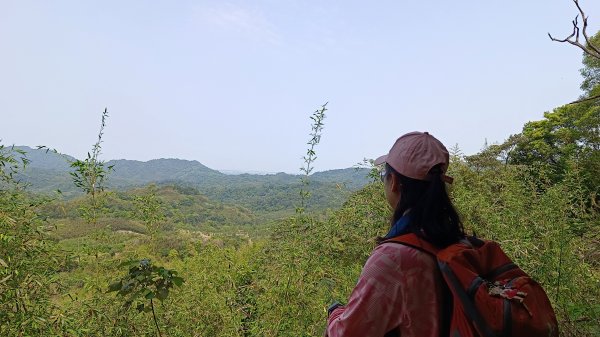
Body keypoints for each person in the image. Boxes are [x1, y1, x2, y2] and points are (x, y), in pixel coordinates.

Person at [325, 131, 464, 337]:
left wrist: (335, 314)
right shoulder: (461, 242)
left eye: (384, 176)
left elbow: (347, 333)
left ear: (394, 183)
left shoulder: (394, 259)